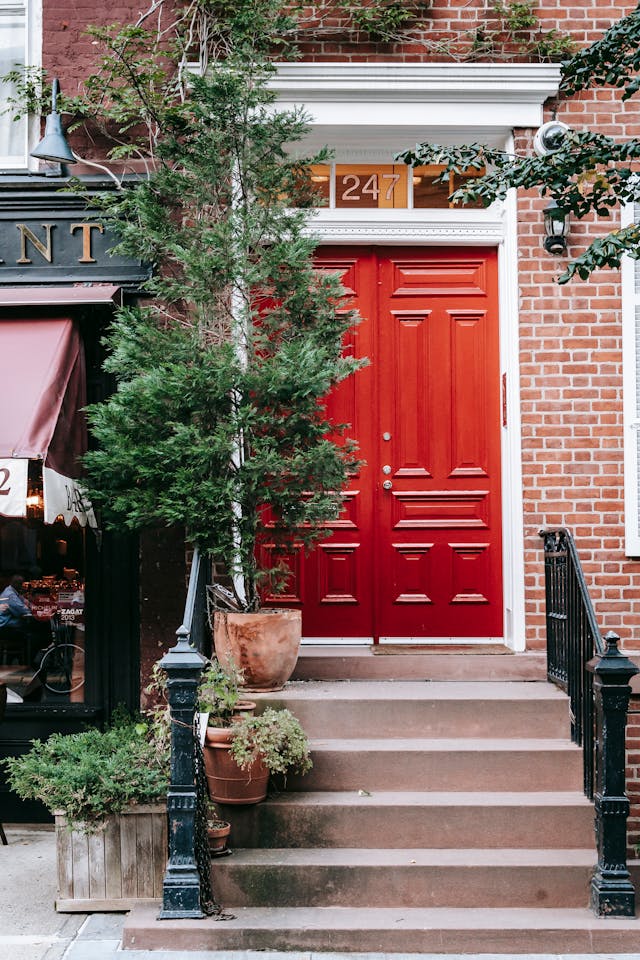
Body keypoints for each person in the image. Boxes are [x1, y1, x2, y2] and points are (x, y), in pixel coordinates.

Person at [0, 575, 32, 664]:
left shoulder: (14, 592)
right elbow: (22, 610)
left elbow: (27, 603)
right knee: (30, 636)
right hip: (5, 629)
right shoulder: (10, 595)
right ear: (17, 585)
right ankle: (26, 663)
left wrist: (28, 605)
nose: (24, 587)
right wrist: (29, 608)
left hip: (8, 627)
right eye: (22, 585)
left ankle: (20, 660)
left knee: (27, 632)